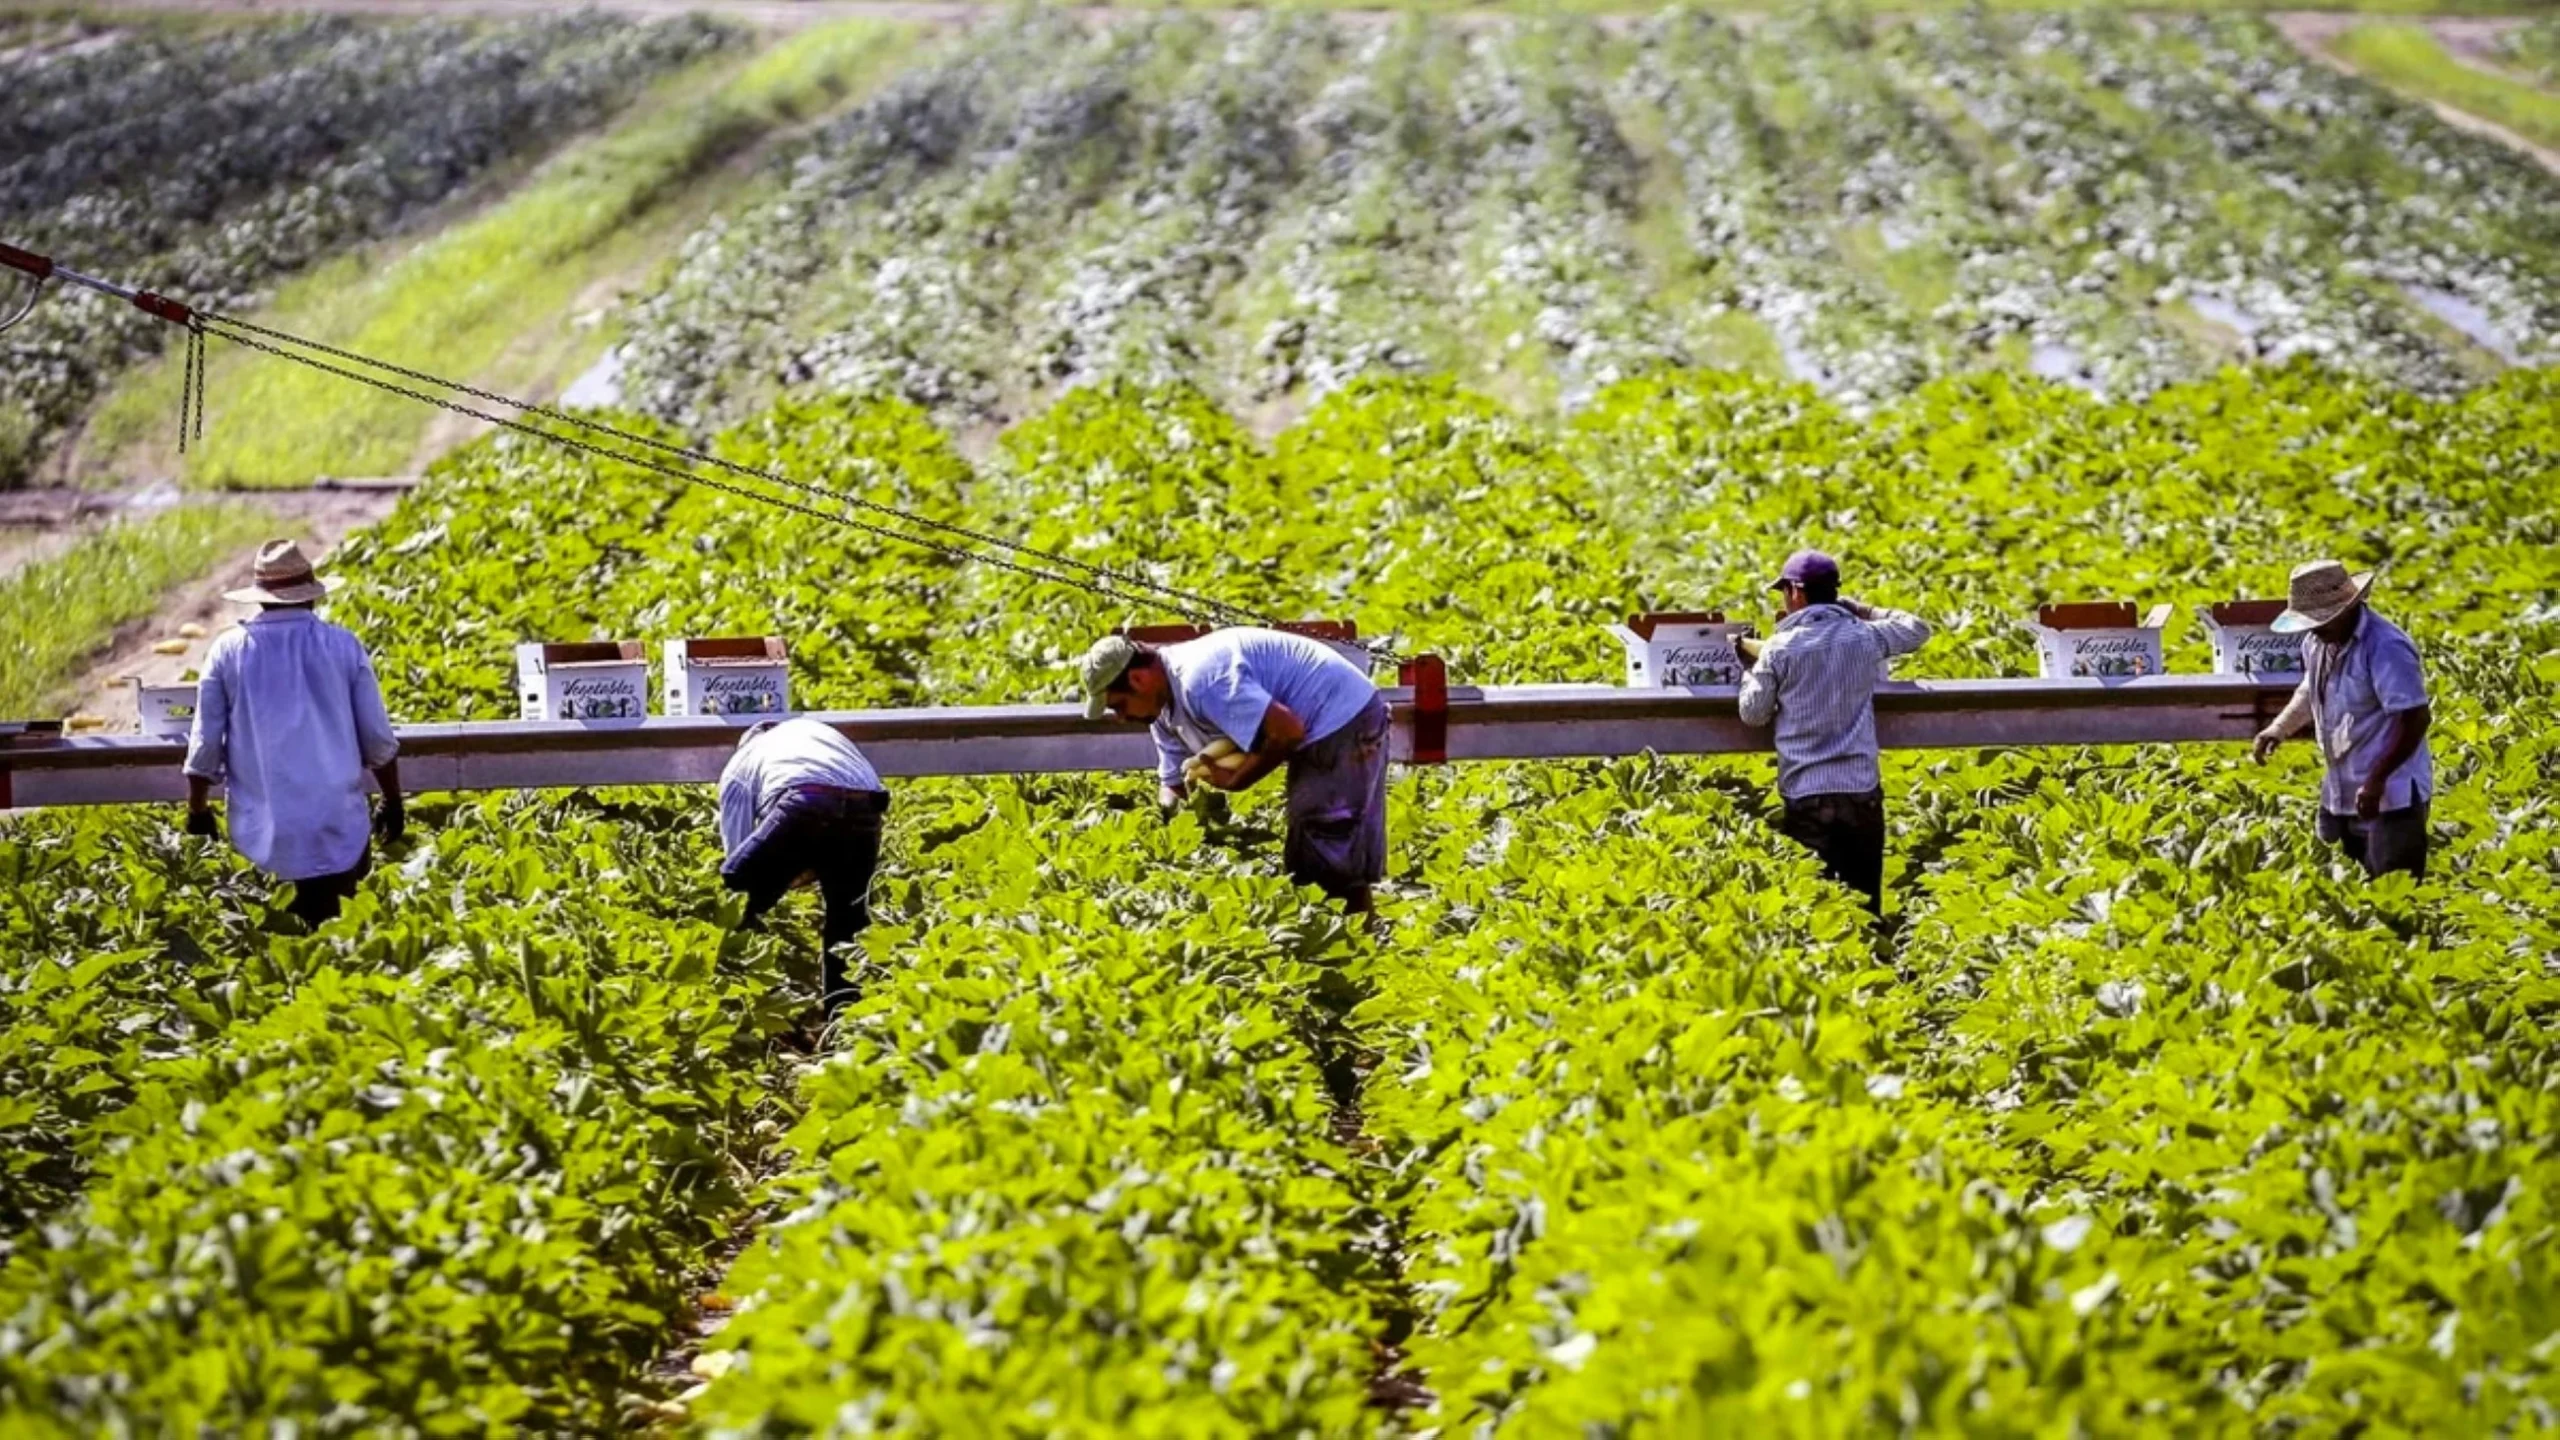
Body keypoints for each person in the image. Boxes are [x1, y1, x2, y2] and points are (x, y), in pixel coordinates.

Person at [1081, 627, 1389, 915]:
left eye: (1119, 705)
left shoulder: (1200, 680)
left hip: (1341, 713)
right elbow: (1173, 783)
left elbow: (1287, 731)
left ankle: (1352, 948)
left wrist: (1239, 779)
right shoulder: (1161, 712)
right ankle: (1354, 941)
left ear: (1137, 680)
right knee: (1318, 848)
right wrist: (1170, 836)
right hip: (1323, 719)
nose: (1120, 718)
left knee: (1323, 842)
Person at [182, 539, 401, 926]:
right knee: (340, 950)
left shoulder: (228, 651)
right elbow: (378, 741)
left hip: (263, 842)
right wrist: (392, 801)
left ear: (260, 598)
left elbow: (204, 748)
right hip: (337, 833)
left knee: (270, 961)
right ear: (312, 597)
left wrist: (197, 811)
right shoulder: (342, 646)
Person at [1735, 550, 1932, 917]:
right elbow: (1918, 628)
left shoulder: (1780, 648)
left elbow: (1753, 713)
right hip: (1860, 790)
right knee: (1865, 903)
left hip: (1807, 792)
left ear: (1795, 591)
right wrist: (1864, 609)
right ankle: (1877, 967)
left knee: (1817, 909)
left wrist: (1749, 671)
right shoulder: (1864, 636)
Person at [2251, 560, 2433, 879]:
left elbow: (2415, 717)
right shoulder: (2317, 642)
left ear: (2349, 608)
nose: (2315, 628)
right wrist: (2278, 729)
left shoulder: (2386, 646)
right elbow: (2311, 689)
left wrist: (2377, 780)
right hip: (2341, 788)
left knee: (2393, 893)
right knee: (2341, 884)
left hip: (2391, 797)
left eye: (2323, 620)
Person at [718, 717, 889, 1018]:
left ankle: (730, 1000)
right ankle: (844, 1027)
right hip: (867, 803)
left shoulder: (741, 763)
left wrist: (767, 888)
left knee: (734, 893)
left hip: (805, 801)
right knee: (846, 922)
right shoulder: (812, 732)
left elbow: (737, 859)